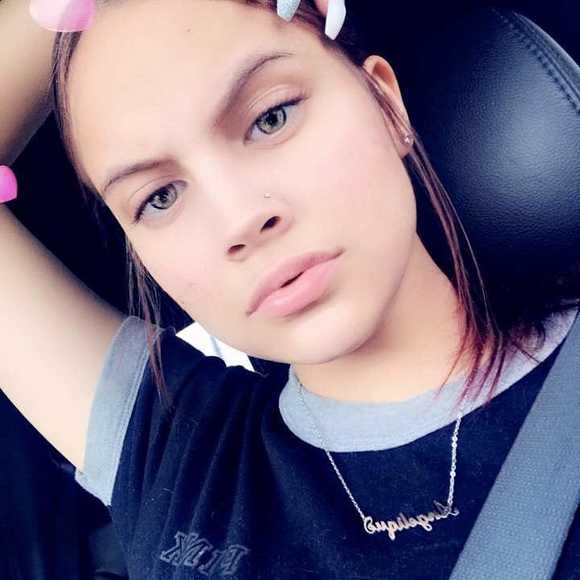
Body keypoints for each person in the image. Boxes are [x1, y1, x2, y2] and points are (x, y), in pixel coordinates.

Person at [1, 0, 579, 578]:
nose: (240, 218)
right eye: (160, 197)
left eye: (271, 118)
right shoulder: (171, 450)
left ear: (386, 103)